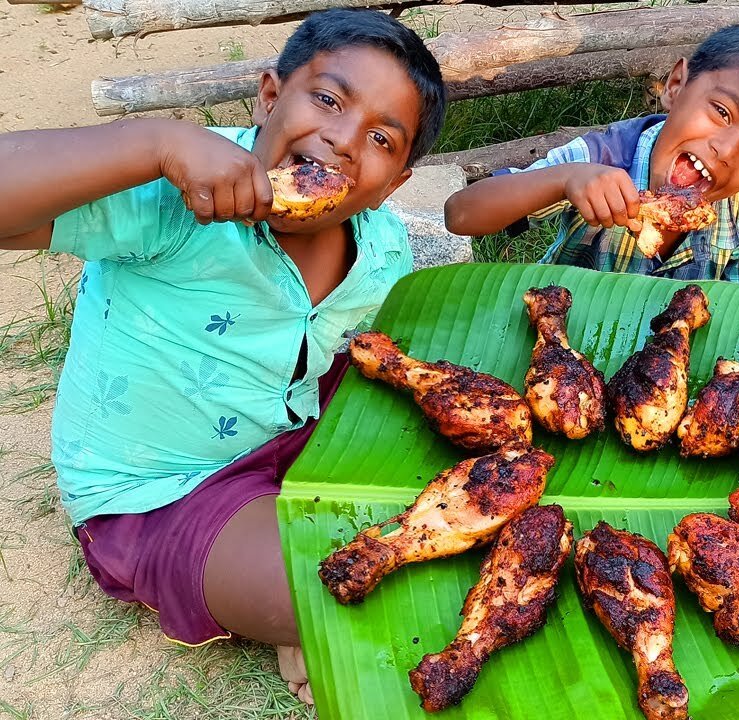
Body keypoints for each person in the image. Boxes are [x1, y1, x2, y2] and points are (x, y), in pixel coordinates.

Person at [0, 9, 447, 701]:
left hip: (292, 433)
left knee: (461, 480)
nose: (342, 138)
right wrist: (156, 142)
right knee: (329, 584)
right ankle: (288, 618)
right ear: (270, 95)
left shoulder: (382, 246)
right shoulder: (173, 195)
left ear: (394, 184)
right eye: (327, 99)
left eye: (382, 138)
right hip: (165, 489)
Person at [444, 24, 739, 290]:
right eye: (722, 112)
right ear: (676, 86)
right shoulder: (604, 158)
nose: (726, 151)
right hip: (563, 337)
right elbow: (461, 214)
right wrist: (565, 179)